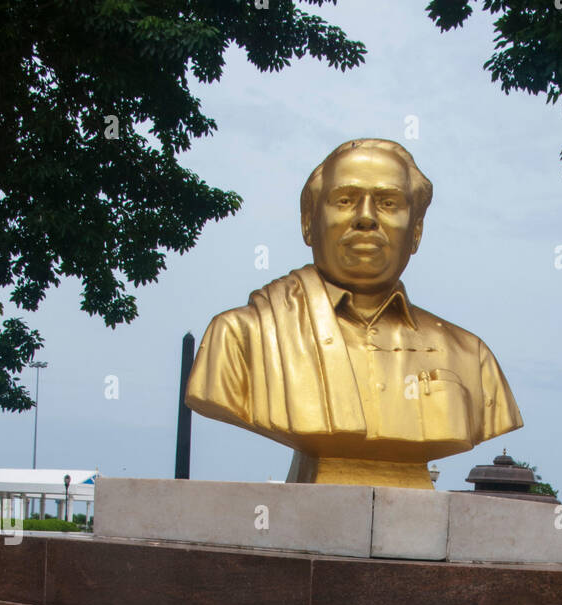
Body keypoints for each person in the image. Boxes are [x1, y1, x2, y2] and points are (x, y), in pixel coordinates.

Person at [185, 138, 522, 488]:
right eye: (344, 200)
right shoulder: (242, 338)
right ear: (308, 222)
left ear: (417, 229)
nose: (365, 218)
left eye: (388, 203)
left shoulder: (470, 356)